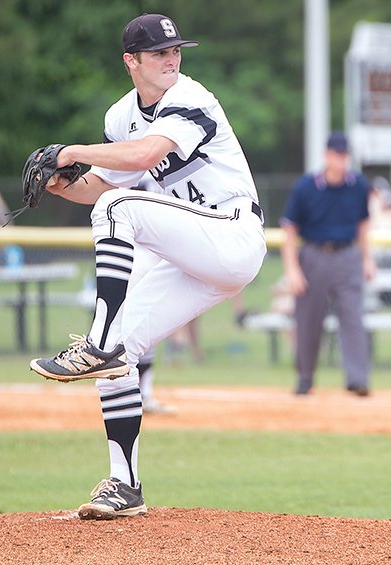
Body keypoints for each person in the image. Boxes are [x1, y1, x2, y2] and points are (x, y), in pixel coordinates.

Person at [28, 13, 266, 520]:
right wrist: (62, 185)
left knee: (118, 211)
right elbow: (102, 183)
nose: (171, 59)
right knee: (122, 350)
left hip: (231, 234)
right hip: (192, 252)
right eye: (159, 52)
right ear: (131, 61)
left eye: (175, 50)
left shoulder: (192, 97)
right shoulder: (120, 116)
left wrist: (70, 150)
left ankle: (97, 340)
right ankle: (124, 485)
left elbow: (143, 157)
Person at [280, 132, 375, 397]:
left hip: (347, 255)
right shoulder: (307, 186)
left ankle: (358, 379)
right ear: (326, 155)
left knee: (353, 317)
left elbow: (363, 224)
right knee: (308, 319)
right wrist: (292, 269)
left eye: (345, 155)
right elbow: (289, 228)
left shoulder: (358, 185)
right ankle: (305, 378)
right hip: (314, 254)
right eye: (337, 155)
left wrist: (367, 258)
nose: (341, 160)